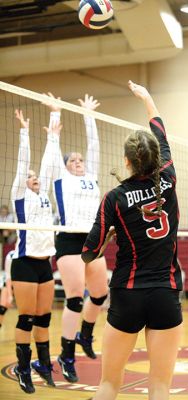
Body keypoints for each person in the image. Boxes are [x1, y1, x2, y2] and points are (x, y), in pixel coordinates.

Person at [81, 80, 183, 400]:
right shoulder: (168, 175)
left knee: (109, 384)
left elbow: (88, 253)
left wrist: (109, 238)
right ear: (156, 159)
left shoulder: (114, 198)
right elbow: (160, 131)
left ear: (127, 161)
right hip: (165, 293)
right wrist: (147, 98)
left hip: (127, 294)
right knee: (160, 385)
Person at [44, 93, 108, 382]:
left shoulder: (91, 176)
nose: (80, 161)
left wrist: (88, 115)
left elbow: (93, 147)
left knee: (100, 294)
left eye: (81, 159)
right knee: (74, 300)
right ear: (66, 165)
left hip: (93, 241)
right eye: (75, 159)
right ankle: (66, 356)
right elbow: (55, 154)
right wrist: (56, 115)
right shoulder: (62, 178)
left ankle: (86, 335)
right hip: (70, 241)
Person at [10, 109, 56, 393]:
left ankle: (43, 365)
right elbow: (22, 165)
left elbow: (49, 166)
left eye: (35, 175)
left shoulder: (44, 196)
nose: (34, 176)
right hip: (25, 263)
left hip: (45, 265)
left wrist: (53, 133)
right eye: (30, 176)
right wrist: (24, 133)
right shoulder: (20, 193)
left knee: (44, 318)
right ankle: (24, 369)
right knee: (26, 318)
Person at [0, 250, 14, 328]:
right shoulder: (11, 255)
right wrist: (10, 295)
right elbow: (8, 276)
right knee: (2, 308)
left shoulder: (28, 255)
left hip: (21, 283)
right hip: (9, 282)